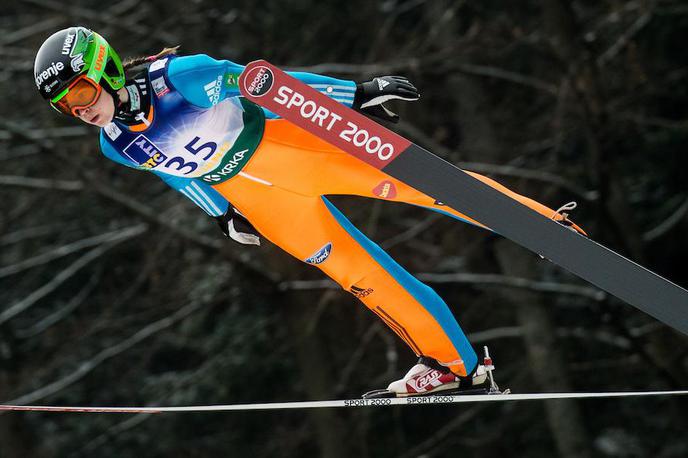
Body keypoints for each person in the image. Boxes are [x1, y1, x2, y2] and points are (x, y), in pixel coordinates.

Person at [34, 27, 584, 398]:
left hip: (292, 147)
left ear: (103, 69)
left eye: (79, 91)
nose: (77, 108)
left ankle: (545, 228)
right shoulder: (113, 143)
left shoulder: (178, 77)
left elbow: (268, 86)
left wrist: (356, 94)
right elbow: (174, 172)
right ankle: (454, 368)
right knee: (360, 277)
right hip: (259, 198)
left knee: (430, 188)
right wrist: (221, 214)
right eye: (63, 105)